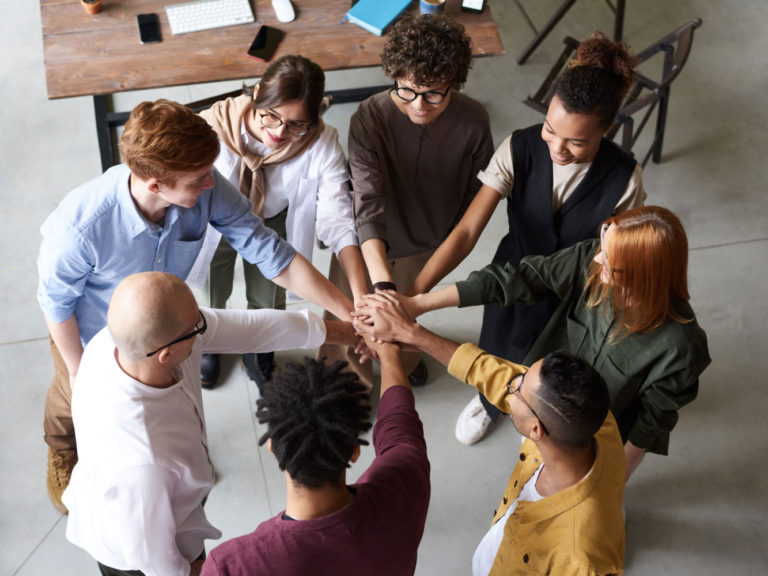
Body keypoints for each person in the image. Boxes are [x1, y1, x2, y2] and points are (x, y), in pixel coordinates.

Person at [37, 98, 355, 514]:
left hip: (165, 327)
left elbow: (270, 253)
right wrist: (81, 374)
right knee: (70, 401)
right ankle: (61, 448)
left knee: (160, 404)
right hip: (90, 331)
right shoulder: (79, 227)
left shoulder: (205, 185)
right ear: (155, 184)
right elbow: (55, 304)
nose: (211, 183)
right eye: (198, 178)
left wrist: (350, 313)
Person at [406, 31, 646, 445]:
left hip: (575, 290)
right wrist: (414, 295)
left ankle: (538, 412)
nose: (558, 148)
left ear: (607, 129)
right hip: (512, 275)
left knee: (557, 365)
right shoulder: (519, 147)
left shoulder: (625, 178)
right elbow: (467, 231)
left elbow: (619, 255)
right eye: (551, 130)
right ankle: (491, 401)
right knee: (500, 343)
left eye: (577, 141)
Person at [361, 205, 711, 479]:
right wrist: (419, 304)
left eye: (612, 264)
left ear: (645, 277)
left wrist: (614, 478)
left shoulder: (681, 348)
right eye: (603, 246)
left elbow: (651, 422)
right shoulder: (592, 258)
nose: (598, 259)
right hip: (540, 394)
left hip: (595, 435)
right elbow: (520, 279)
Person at [62, 271, 360, 576]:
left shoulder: (125, 341)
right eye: (197, 325)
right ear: (166, 354)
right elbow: (156, 561)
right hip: (135, 553)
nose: (204, 325)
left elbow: (250, 329)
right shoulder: (143, 461)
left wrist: (350, 332)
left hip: (167, 503)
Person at [354, 293, 626, 575]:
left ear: (536, 430)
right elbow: (494, 373)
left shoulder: (581, 556)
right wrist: (412, 334)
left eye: (518, 389)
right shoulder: (592, 418)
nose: (511, 383)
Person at [195, 55, 368, 390]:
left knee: (269, 298)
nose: (278, 132)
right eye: (271, 116)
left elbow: (338, 218)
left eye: (296, 125)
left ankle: (258, 351)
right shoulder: (212, 126)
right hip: (215, 221)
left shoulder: (321, 141)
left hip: (273, 220)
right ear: (258, 93)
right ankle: (210, 339)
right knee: (211, 288)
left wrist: (359, 299)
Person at [348, 13, 494, 386]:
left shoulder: (474, 122)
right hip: (366, 240)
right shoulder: (369, 117)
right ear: (394, 77)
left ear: (454, 84)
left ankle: (406, 363)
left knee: (407, 322)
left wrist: (403, 303)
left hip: (426, 242)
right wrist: (383, 290)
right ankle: (350, 382)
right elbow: (367, 202)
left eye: (433, 94)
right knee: (351, 317)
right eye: (407, 91)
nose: (419, 105)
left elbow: (472, 201)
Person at [200, 340, 430, 575]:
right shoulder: (406, 482)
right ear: (354, 450)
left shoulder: (231, 566)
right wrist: (389, 352)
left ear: (273, 448)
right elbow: (400, 423)